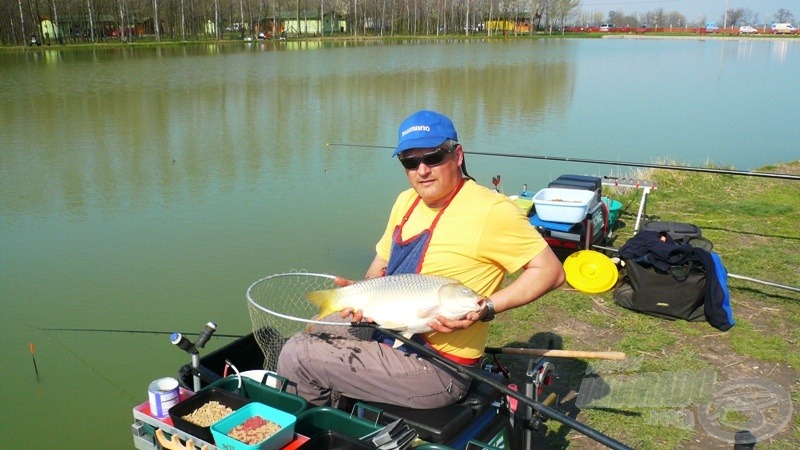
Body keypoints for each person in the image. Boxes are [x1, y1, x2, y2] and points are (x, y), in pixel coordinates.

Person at [277, 109, 565, 409]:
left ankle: (319, 430)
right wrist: (360, 293)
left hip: (440, 368)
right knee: (316, 328)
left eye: (434, 157)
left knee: (297, 355)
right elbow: (379, 268)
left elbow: (550, 271)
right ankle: (339, 408)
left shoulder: (492, 211)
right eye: (410, 162)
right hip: (391, 329)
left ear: (458, 155)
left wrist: (487, 308)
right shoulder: (406, 201)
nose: (422, 170)